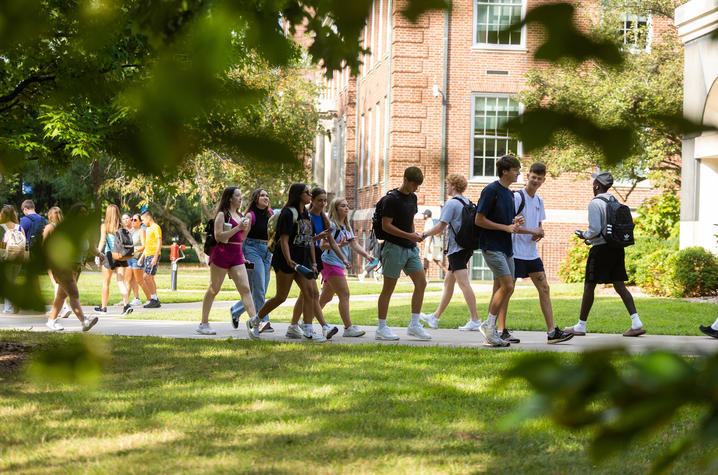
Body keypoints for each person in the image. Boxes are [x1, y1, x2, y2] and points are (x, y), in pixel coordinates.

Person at [495, 163, 574, 344]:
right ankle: (500, 331)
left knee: (545, 288)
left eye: (539, 178)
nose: (536, 181)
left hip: (531, 254)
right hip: (514, 253)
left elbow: (538, 226)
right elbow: (511, 226)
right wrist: (531, 231)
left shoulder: (539, 201)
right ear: (527, 177)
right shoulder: (516, 197)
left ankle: (552, 332)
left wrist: (539, 232)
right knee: (507, 290)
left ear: (543, 180)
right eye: (533, 177)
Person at [564, 172, 646, 337]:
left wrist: (584, 235)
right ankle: (636, 323)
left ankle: (581, 326)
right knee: (620, 285)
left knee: (589, 285)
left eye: (594, 183)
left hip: (601, 250)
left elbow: (594, 229)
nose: (592, 185)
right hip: (616, 248)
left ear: (597, 186)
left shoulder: (595, 203)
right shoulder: (614, 201)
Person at [250, 183, 331, 342]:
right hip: (286, 260)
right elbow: (284, 240)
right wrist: (289, 260)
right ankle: (255, 321)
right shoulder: (288, 213)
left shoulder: (306, 215)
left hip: (303, 261)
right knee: (281, 297)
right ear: (298, 195)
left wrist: (313, 263)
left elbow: (309, 242)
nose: (309, 195)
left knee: (310, 293)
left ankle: (308, 331)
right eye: (307, 193)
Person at [419, 173, 482, 332]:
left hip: (456, 249)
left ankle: (475, 320)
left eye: (447, 184)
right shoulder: (466, 202)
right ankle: (435, 317)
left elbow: (440, 226)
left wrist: (423, 234)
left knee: (464, 284)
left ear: (453, 185)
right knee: (448, 283)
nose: (446, 187)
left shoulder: (451, 203)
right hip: (465, 247)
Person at [474, 155, 525, 347]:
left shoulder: (509, 193)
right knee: (508, 286)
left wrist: (514, 223)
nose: (518, 173)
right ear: (504, 171)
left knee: (504, 287)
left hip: (506, 247)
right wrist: (506, 228)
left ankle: (490, 331)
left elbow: (506, 221)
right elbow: (479, 220)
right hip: (492, 246)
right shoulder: (491, 190)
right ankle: (488, 325)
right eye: (515, 169)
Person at [376, 166, 431, 341]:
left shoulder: (413, 198)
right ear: (405, 179)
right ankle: (381, 328)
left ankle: (414, 325)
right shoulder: (391, 200)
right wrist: (409, 236)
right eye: (413, 184)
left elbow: (410, 222)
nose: (415, 189)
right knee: (388, 288)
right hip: (393, 247)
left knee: (421, 283)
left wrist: (414, 239)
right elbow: (386, 226)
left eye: (417, 186)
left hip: (410, 248)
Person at [197, 187, 260, 337]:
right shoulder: (222, 215)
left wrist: (245, 228)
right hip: (221, 253)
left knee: (245, 288)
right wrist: (238, 227)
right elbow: (219, 237)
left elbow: (241, 238)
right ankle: (203, 323)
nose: (240, 198)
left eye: (241, 196)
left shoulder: (240, 215)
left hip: (237, 254)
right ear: (230, 198)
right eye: (237, 196)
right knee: (214, 289)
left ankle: (253, 323)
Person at [287, 187, 347, 339]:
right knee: (311, 293)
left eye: (325, 200)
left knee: (306, 294)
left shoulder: (324, 217)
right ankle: (318, 327)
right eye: (319, 200)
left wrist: (344, 259)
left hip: (316, 257)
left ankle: (294, 326)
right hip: (305, 255)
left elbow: (332, 242)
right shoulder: (306, 216)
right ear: (312, 200)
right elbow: (304, 241)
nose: (323, 203)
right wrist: (317, 237)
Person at [318, 197, 374, 337]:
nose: (346, 208)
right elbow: (322, 245)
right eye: (343, 206)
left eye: (347, 206)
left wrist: (366, 256)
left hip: (338, 264)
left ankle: (304, 321)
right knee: (345, 294)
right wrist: (339, 245)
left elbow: (354, 244)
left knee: (326, 298)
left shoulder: (346, 226)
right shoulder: (331, 225)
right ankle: (348, 328)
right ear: (336, 209)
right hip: (330, 263)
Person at [43, 205, 102, 332]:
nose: (84, 215)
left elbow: (91, 247)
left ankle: (51, 321)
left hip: (76, 266)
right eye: (81, 213)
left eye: (85, 213)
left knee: (61, 296)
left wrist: (99, 254)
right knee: (74, 294)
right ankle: (84, 322)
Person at [230, 189, 274, 332]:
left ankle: (236, 310)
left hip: (267, 253)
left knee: (260, 290)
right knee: (259, 289)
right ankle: (262, 322)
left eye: (267, 195)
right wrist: (240, 257)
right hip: (252, 250)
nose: (266, 197)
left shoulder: (271, 214)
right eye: (262, 195)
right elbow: (242, 239)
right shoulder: (250, 215)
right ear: (256, 199)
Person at [95, 204, 133, 316]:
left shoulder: (105, 226)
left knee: (106, 282)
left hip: (109, 256)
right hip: (121, 256)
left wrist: (97, 254)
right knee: (120, 281)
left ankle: (103, 307)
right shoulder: (122, 226)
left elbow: (102, 241)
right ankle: (127, 305)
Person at [43, 207, 74, 319]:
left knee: (56, 283)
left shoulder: (49, 227)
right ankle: (60, 306)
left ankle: (63, 307)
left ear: (50, 215)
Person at [0, 205, 26, 314]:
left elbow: (1, 246)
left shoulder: (1, 227)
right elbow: (25, 244)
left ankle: (8, 308)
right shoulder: (19, 227)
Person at [138, 210, 162, 308]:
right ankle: (155, 299)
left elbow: (159, 242)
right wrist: (141, 257)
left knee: (146, 276)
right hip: (148, 255)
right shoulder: (148, 229)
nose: (142, 222)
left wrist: (155, 257)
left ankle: (154, 299)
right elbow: (147, 245)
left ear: (148, 218)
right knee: (150, 277)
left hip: (153, 255)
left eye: (143, 220)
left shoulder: (156, 227)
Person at [118, 212, 142, 306]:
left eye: (127, 218)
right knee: (130, 279)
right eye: (123, 219)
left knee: (129, 279)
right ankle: (135, 298)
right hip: (126, 257)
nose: (125, 221)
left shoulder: (135, 230)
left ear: (131, 219)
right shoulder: (122, 231)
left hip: (134, 257)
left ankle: (127, 300)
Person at [421, 209, 447, 280]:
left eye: (424, 214)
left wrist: (428, 246)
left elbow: (429, 234)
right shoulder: (433, 221)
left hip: (431, 244)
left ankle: (423, 278)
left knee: (426, 260)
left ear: (426, 215)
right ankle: (448, 274)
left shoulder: (428, 222)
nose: (423, 216)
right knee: (437, 260)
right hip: (437, 243)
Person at [126, 213, 145, 306]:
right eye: (132, 219)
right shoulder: (131, 231)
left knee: (139, 280)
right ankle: (135, 298)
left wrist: (135, 251)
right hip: (129, 258)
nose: (132, 221)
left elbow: (144, 246)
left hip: (137, 258)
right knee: (131, 280)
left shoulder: (141, 231)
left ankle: (152, 298)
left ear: (141, 222)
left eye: (135, 220)